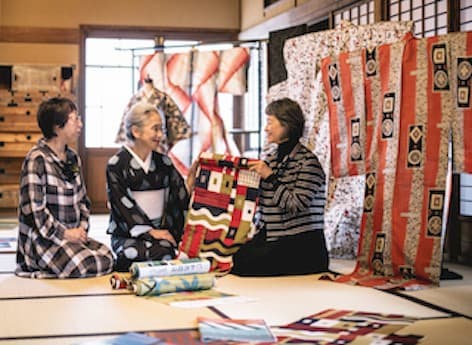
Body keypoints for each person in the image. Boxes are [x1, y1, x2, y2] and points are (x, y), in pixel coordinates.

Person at [16, 97, 114, 278]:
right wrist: (65, 233)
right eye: (75, 119)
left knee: (108, 256)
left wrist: (82, 229)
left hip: (73, 238)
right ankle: (43, 268)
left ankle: (61, 265)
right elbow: (34, 212)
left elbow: (83, 200)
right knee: (85, 264)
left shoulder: (73, 157)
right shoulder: (37, 159)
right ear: (57, 126)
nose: (80, 124)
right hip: (44, 241)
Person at [232, 97, 329, 276]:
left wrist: (269, 177)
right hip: (276, 236)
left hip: (302, 244)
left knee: (243, 265)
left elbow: (295, 205)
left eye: (270, 122)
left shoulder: (308, 163)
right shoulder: (271, 158)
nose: (266, 128)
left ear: (286, 124)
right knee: (232, 256)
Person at [106, 103, 190, 272]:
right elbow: (121, 205)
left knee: (165, 249)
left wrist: (193, 179)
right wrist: (150, 232)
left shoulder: (163, 162)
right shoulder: (116, 164)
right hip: (128, 234)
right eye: (155, 129)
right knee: (135, 253)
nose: (160, 135)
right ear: (136, 131)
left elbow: (179, 195)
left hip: (161, 234)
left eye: (162, 129)